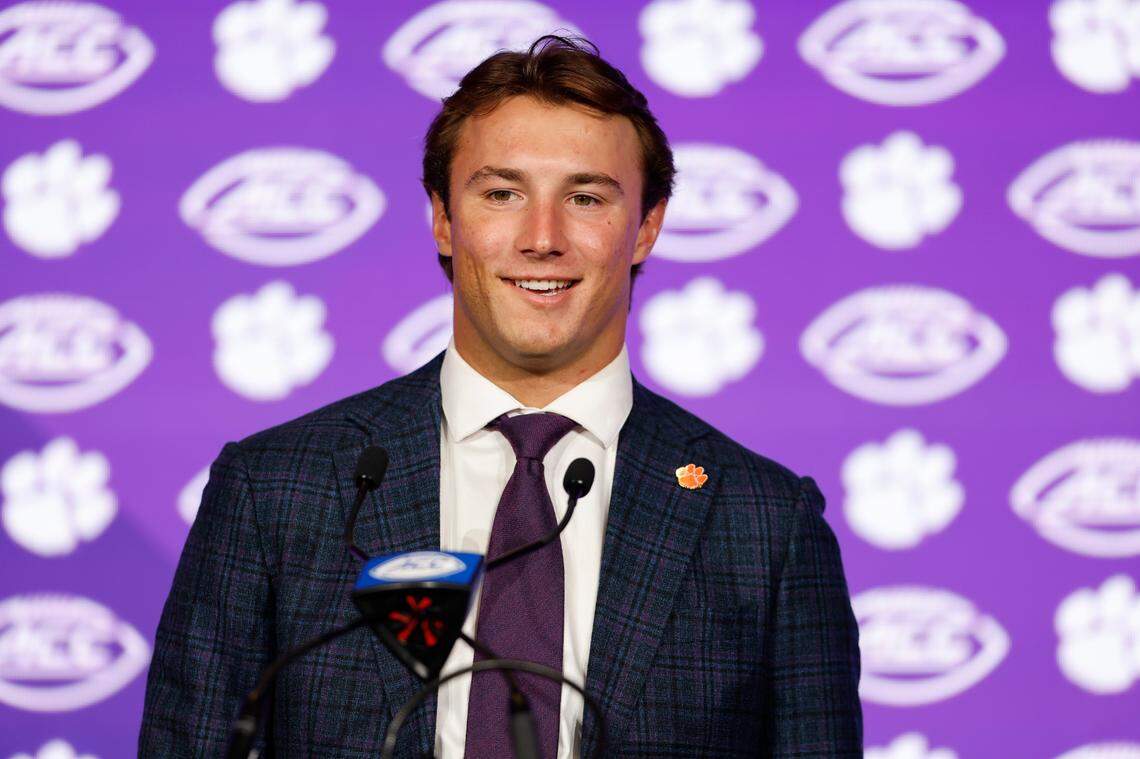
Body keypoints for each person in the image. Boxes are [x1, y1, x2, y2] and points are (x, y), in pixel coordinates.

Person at [139, 35, 862, 758]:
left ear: (646, 227)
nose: (542, 239)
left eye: (584, 197)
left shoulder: (765, 523)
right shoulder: (277, 488)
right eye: (502, 194)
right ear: (445, 219)